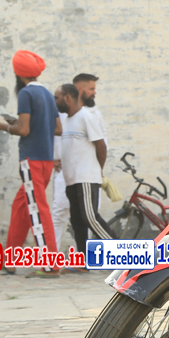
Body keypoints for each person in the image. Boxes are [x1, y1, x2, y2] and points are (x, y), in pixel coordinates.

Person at [0, 50, 61, 275]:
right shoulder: (47, 94)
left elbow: (24, 130)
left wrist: (3, 126)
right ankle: (10, 260)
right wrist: (23, 123)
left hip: (31, 160)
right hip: (46, 160)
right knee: (21, 207)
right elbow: (58, 128)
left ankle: (50, 265)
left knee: (38, 210)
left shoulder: (25, 94)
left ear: (17, 74)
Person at [52, 73, 108, 251]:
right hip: (71, 180)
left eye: (57, 98)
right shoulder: (66, 120)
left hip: (85, 179)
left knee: (90, 219)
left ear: (68, 97)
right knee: (77, 223)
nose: (55, 101)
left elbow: (101, 145)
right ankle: (83, 261)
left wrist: (97, 169)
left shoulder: (86, 116)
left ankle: (126, 255)